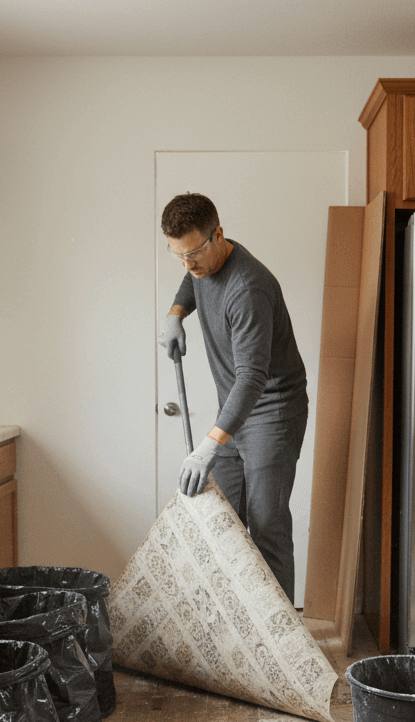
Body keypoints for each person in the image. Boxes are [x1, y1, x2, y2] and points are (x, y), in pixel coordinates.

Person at [158, 192, 308, 604]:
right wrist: (176, 313)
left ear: (218, 235)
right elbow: (192, 279)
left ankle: (280, 650)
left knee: (267, 527)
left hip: (271, 412)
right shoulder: (203, 263)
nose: (187, 265)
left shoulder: (248, 288)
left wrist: (208, 445)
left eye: (192, 254)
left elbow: (252, 378)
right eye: (177, 256)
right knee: (220, 523)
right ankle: (238, 630)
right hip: (236, 414)